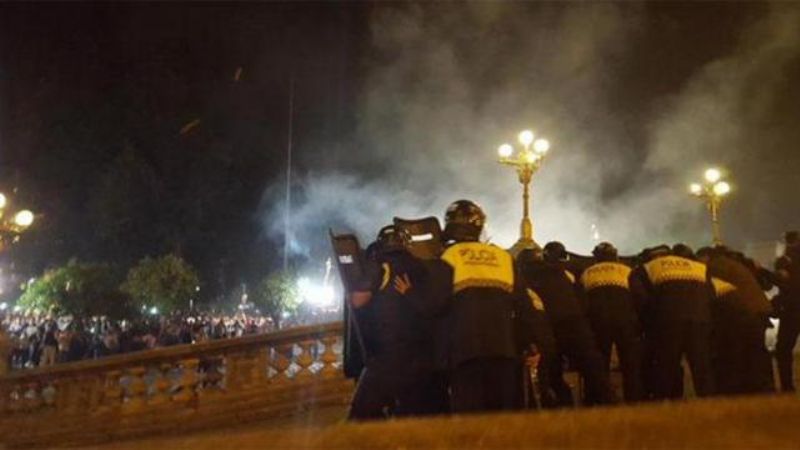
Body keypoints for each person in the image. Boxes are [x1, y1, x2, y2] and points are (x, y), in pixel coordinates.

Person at [426, 199, 540, 413]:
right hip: (504, 351)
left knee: (470, 422)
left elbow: (435, 305)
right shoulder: (504, 258)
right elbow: (525, 307)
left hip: (464, 353)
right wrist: (532, 344)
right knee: (502, 420)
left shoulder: (448, 257)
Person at [348, 225, 441, 420]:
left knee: (361, 414)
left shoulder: (381, 266)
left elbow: (358, 300)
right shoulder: (422, 267)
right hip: (421, 358)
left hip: (387, 357)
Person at [518, 241, 616, 407]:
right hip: (575, 323)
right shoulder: (562, 272)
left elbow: (528, 307)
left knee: (552, 374)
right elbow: (582, 298)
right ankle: (606, 406)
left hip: (550, 328)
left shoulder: (524, 279)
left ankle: (563, 408)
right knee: (593, 369)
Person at [634, 244, 715, 399]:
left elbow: (640, 299)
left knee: (667, 366)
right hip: (700, 319)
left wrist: (650, 323)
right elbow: (711, 294)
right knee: (701, 366)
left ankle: (668, 406)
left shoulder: (646, 268)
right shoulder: (699, 267)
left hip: (668, 320)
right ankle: (711, 406)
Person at [697, 245, 774, 395]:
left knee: (744, 350)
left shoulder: (715, 266)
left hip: (746, 310)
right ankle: (764, 386)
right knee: (758, 350)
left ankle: (752, 387)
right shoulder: (731, 263)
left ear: (705, 257)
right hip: (758, 308)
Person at [579, 242, 644, 402]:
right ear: (615, 256)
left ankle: (600, 400)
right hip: (625, 321)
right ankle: (634, 400)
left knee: (600, 363)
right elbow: (640, 297)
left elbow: (581, 302)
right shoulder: (627, 271)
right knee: (630, 364)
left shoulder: (587, 273)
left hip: (598, 322)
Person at [773, 231, 800, 392]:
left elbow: (781, 278)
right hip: (792, 305)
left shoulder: (785, 259)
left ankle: (787, 386)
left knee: (783, 348)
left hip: (792, 307)